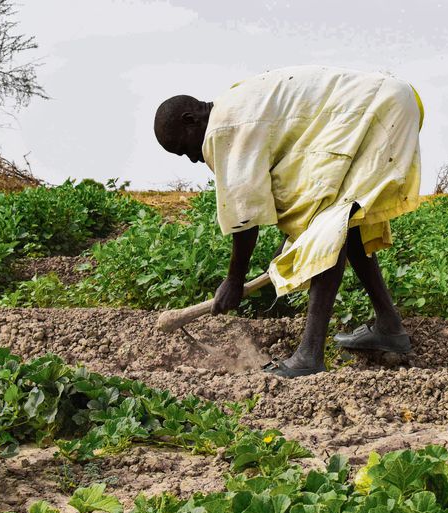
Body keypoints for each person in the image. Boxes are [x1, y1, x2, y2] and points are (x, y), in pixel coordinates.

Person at [154, 65, 424, 378]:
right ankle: (389, 327)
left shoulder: (222, 129)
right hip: (386, 102)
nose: (193, 158)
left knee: (326, 226)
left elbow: (245, 220)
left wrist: (234, 281)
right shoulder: (234, 106)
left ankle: (309, 355)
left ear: (191, 120)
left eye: (184, 149)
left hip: (376, 110)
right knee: (343, 222)